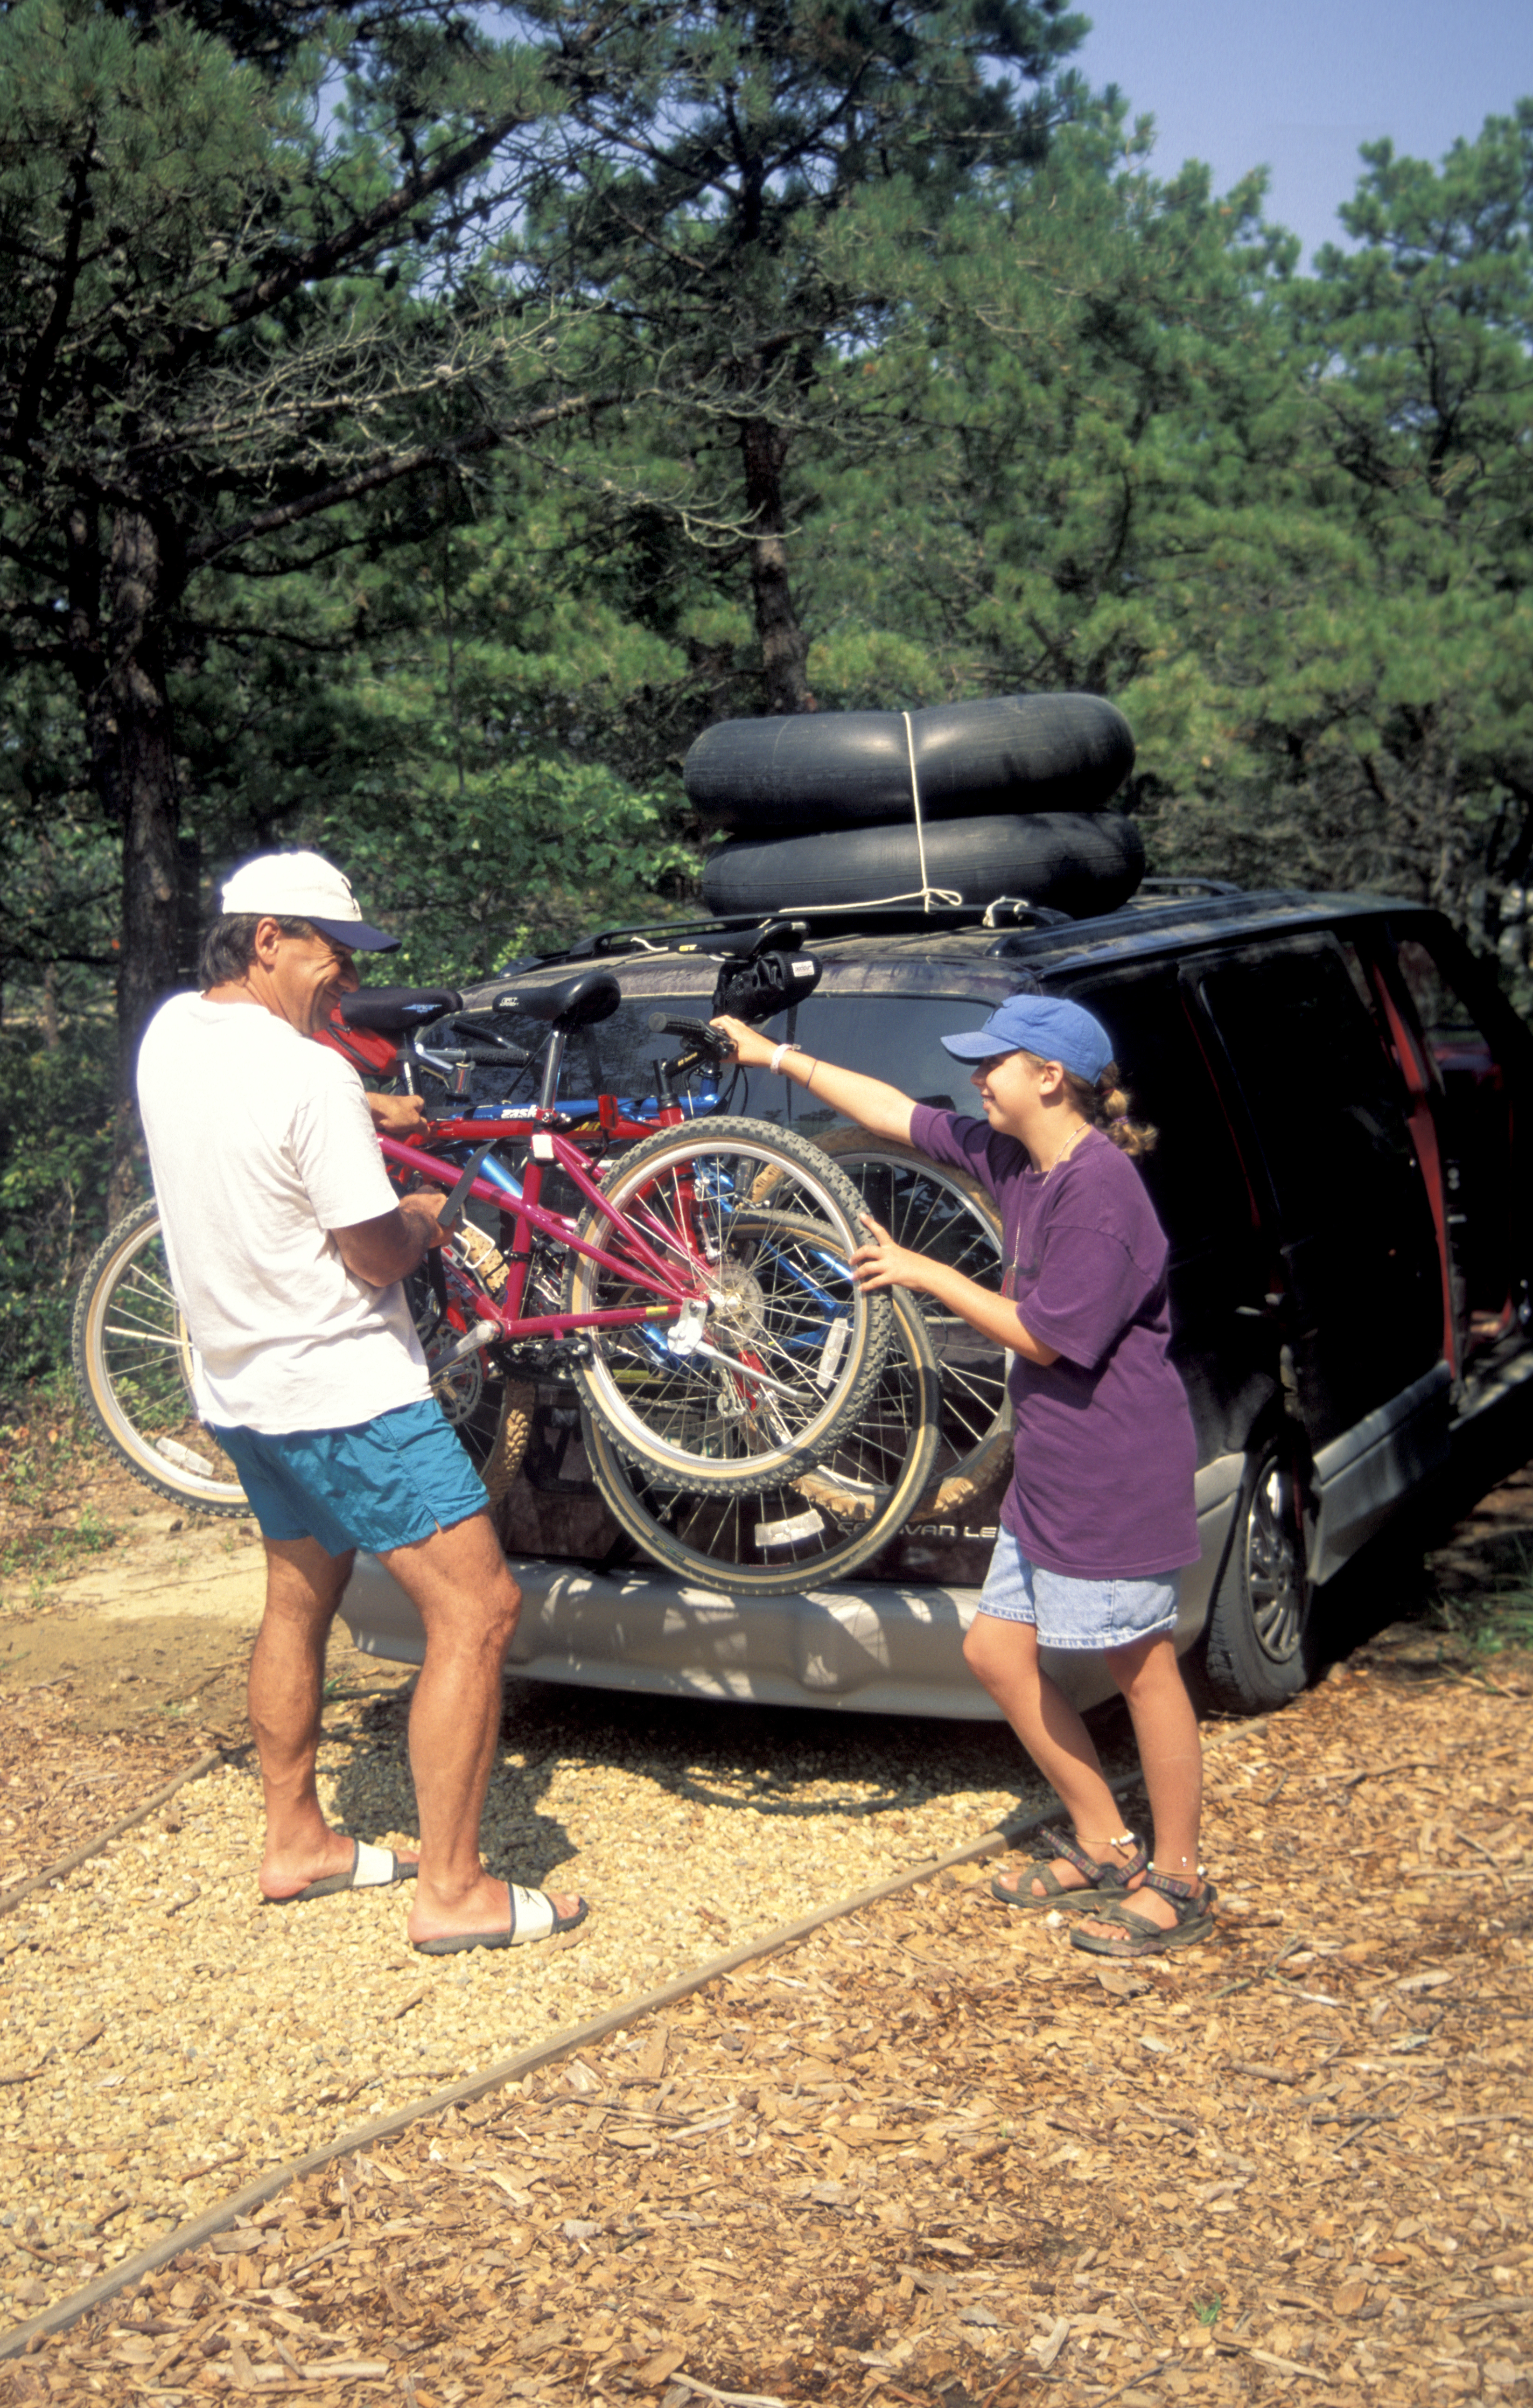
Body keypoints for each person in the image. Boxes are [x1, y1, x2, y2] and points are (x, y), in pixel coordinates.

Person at [136, 850, 586, 1954]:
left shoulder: (168, 1036)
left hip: (240, 1386)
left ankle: (297, 1840)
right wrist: (428, 1213)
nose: (344, 974)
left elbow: (261, 1135)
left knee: (299, 1594)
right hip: (344, 1390)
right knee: (476, 1611)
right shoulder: (309, 1078)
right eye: (331, 948)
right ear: (266, 940)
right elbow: (377, 1255)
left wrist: (365, 1105)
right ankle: (454, 1890)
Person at [713, 992, 1212, 1957]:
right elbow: (894, 1112)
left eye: (993, 1062)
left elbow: (1048, 1338)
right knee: (994, 1652)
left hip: (1114, 1472)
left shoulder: (1099, 1194)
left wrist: (922, 1271)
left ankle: (1180, 1877)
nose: (975, 1078)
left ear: (1048, 1076)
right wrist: (778, 1058)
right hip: (1053, 1472)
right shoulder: (1014, 1159)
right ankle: (1108, 1843)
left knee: (1140, 1667)